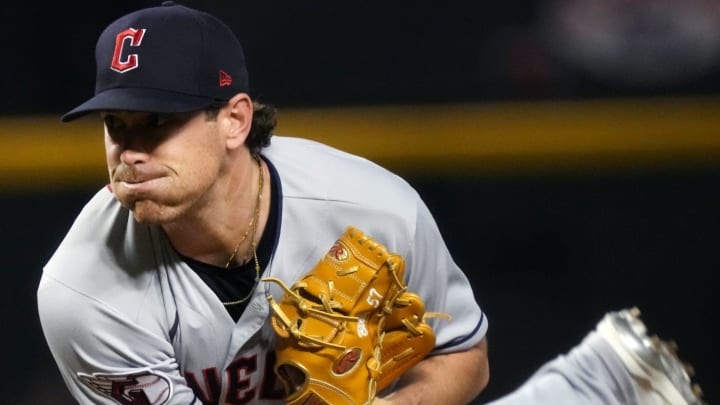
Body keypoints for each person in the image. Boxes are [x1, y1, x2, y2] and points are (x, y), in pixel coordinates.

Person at [37, 2, 703, 404]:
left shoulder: (371, 208)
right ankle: (583, 388)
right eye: (116, 124)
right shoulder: (86, 290)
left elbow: (464, 358)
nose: (130, 149)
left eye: (158, 122)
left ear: (235, 121)